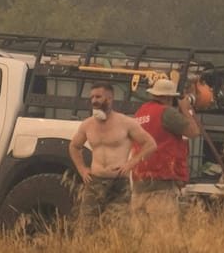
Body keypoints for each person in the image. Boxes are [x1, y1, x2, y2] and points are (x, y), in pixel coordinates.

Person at [69, 81, 156, 225]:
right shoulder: (87, 124)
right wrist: (82, 170)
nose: (94, 101)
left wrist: (131, 163)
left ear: (109, 99)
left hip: (118, 182)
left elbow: (150, 144)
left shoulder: (126, 123)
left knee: (119, 227)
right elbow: (74, 146)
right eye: (92, 97)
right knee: (87, 226)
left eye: (98, 97)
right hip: (95, 181)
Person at [131, 77, 200, 220]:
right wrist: (186, 109)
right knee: (163, 233)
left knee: (140, 235)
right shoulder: (167, 113)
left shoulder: (141, 112)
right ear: (169, 98)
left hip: (139, 182)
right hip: (161, 181)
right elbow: (193, 132)